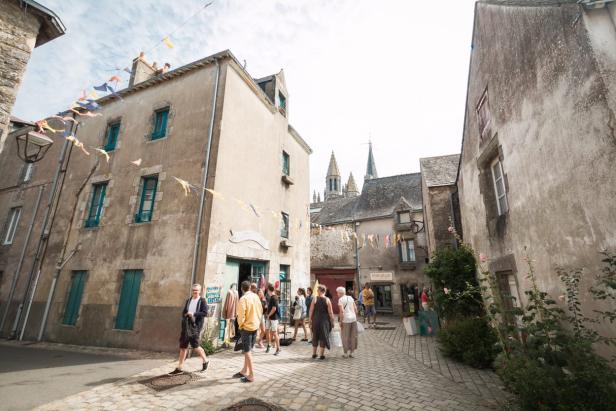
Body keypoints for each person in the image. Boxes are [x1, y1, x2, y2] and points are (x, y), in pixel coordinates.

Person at [169, 284, 209, 375]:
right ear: (192, 291)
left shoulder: (202, 301)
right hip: (186, 325)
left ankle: (205, 360)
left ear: (200, 291)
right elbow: (184, 312)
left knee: (195, 346)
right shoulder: (188, 300)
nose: (195, 292)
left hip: (195, 326)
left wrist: (193, 314)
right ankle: (180, 367)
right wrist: (185, 315)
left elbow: (205, 313)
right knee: (183, 346)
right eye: (193, 290)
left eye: (197, 290)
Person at [233, 280, 262, 383]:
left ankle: (251, 375)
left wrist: (241, 326)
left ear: (241, 288)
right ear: (250, 287)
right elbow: (260, 311)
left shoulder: (243, 299)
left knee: (247, 351)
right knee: (248, 350)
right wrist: (257, 322)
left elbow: (240, 316)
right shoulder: (256, 297)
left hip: (247, 328)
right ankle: (244, 370)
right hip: (255, 326)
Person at [309, 285, 335, 360]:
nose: (317, 291)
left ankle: (314, 354)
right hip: (324, 321)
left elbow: (311, 310)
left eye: (318, 290)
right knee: (323, 336)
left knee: (315, 336)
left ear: (321, 291)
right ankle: (321, 355)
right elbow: (330, 312)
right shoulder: (327, 300)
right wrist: (332, 321)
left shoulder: (314, 299)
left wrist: (310, 320)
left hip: (316, 320)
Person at [337, 286, 358, 358]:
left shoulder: (340, 300)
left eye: (337, 293)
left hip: (346, 320)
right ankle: (352, 352)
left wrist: (340, 321)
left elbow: (342, 311)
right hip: (353, 319)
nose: (337, 294)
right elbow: (355, 309)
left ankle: (345, 353)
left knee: (345, 336)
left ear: (340, 293)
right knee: (353, 336)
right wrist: (355, 317)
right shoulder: (350, 298)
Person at [265, 284, 281, 355]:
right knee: (267, 330)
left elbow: (274, 309)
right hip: (270, 317)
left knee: (274, 332)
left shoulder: (274, 297)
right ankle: (269, 344)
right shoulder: (271, 297)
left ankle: (278, 348)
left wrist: (268, 315)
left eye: (267, 290)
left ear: (269, 290)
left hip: (274, 318)